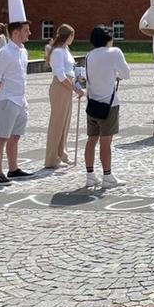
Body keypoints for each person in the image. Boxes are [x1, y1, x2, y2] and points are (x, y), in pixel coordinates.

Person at [83, 25, 131, 188]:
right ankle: (107, 176)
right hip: (109, 103)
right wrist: (115, 75)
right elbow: (126, 73)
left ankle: (90, 175)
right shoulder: (114, 52)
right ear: (108, 39)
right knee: (105, 142)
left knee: (91, 140)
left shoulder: (89, 55)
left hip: (93, 102)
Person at [0, 19, 32, 184]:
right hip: (7, 98)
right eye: (26, 30)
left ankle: (13, 169)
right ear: (15, 33)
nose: (29, 33)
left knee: (15, 136)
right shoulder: (5, 53)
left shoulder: (23, 50)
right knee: (2, 136)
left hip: (20, 98)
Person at [44, 24, 80, 168]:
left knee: (65, 123)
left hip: (67, 86)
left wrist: (77, 86)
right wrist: (74, 88)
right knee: (57, 123)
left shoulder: (65, 50)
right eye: (72, 36)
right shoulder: (58, 51)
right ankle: (52, 158)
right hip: (61, 87)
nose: (73, 38)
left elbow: (70, 70)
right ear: (68, 36)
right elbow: (60, 74)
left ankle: (61, 153)